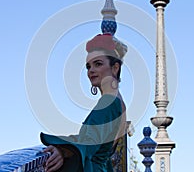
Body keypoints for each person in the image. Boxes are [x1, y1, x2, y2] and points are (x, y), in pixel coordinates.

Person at [40, 33, 128, 172]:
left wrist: (63, 151)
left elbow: (89, 142)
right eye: (88, 66)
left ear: (115, 67)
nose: (91, 70)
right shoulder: (118, 101)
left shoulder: (109, 102)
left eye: (98, 64)